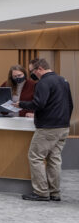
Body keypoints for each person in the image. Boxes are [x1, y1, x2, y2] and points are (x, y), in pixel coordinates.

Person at [16, 58, 73, 202]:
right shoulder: (63, 80)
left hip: (48, 127)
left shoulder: (43, 82)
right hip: (64, 126)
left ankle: (41, 192)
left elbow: (39, 104)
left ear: (40, 69)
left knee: (35, 157)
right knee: (54, 159)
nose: (32, 74)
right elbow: (70, 104)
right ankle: (55, 192)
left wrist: (20, 104)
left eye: (32, 71)